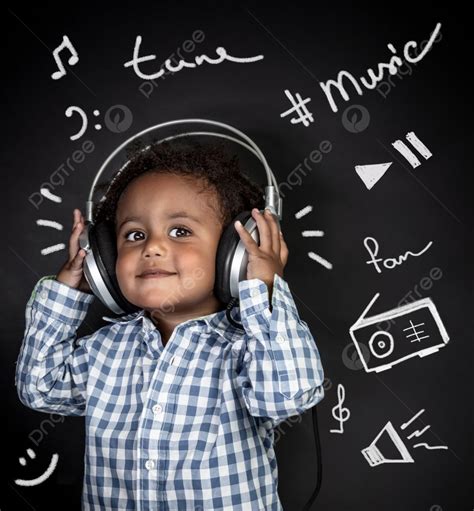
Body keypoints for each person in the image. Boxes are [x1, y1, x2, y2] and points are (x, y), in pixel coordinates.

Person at [15, 139, 325, 510]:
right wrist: (67, 292)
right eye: (134, 235)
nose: (152, 248)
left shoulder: (247, 348)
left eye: (179, 231)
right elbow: (39, 388)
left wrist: (265, 287)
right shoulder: (104, 350)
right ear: (105, 257)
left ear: (235, 252)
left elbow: (289, 395)